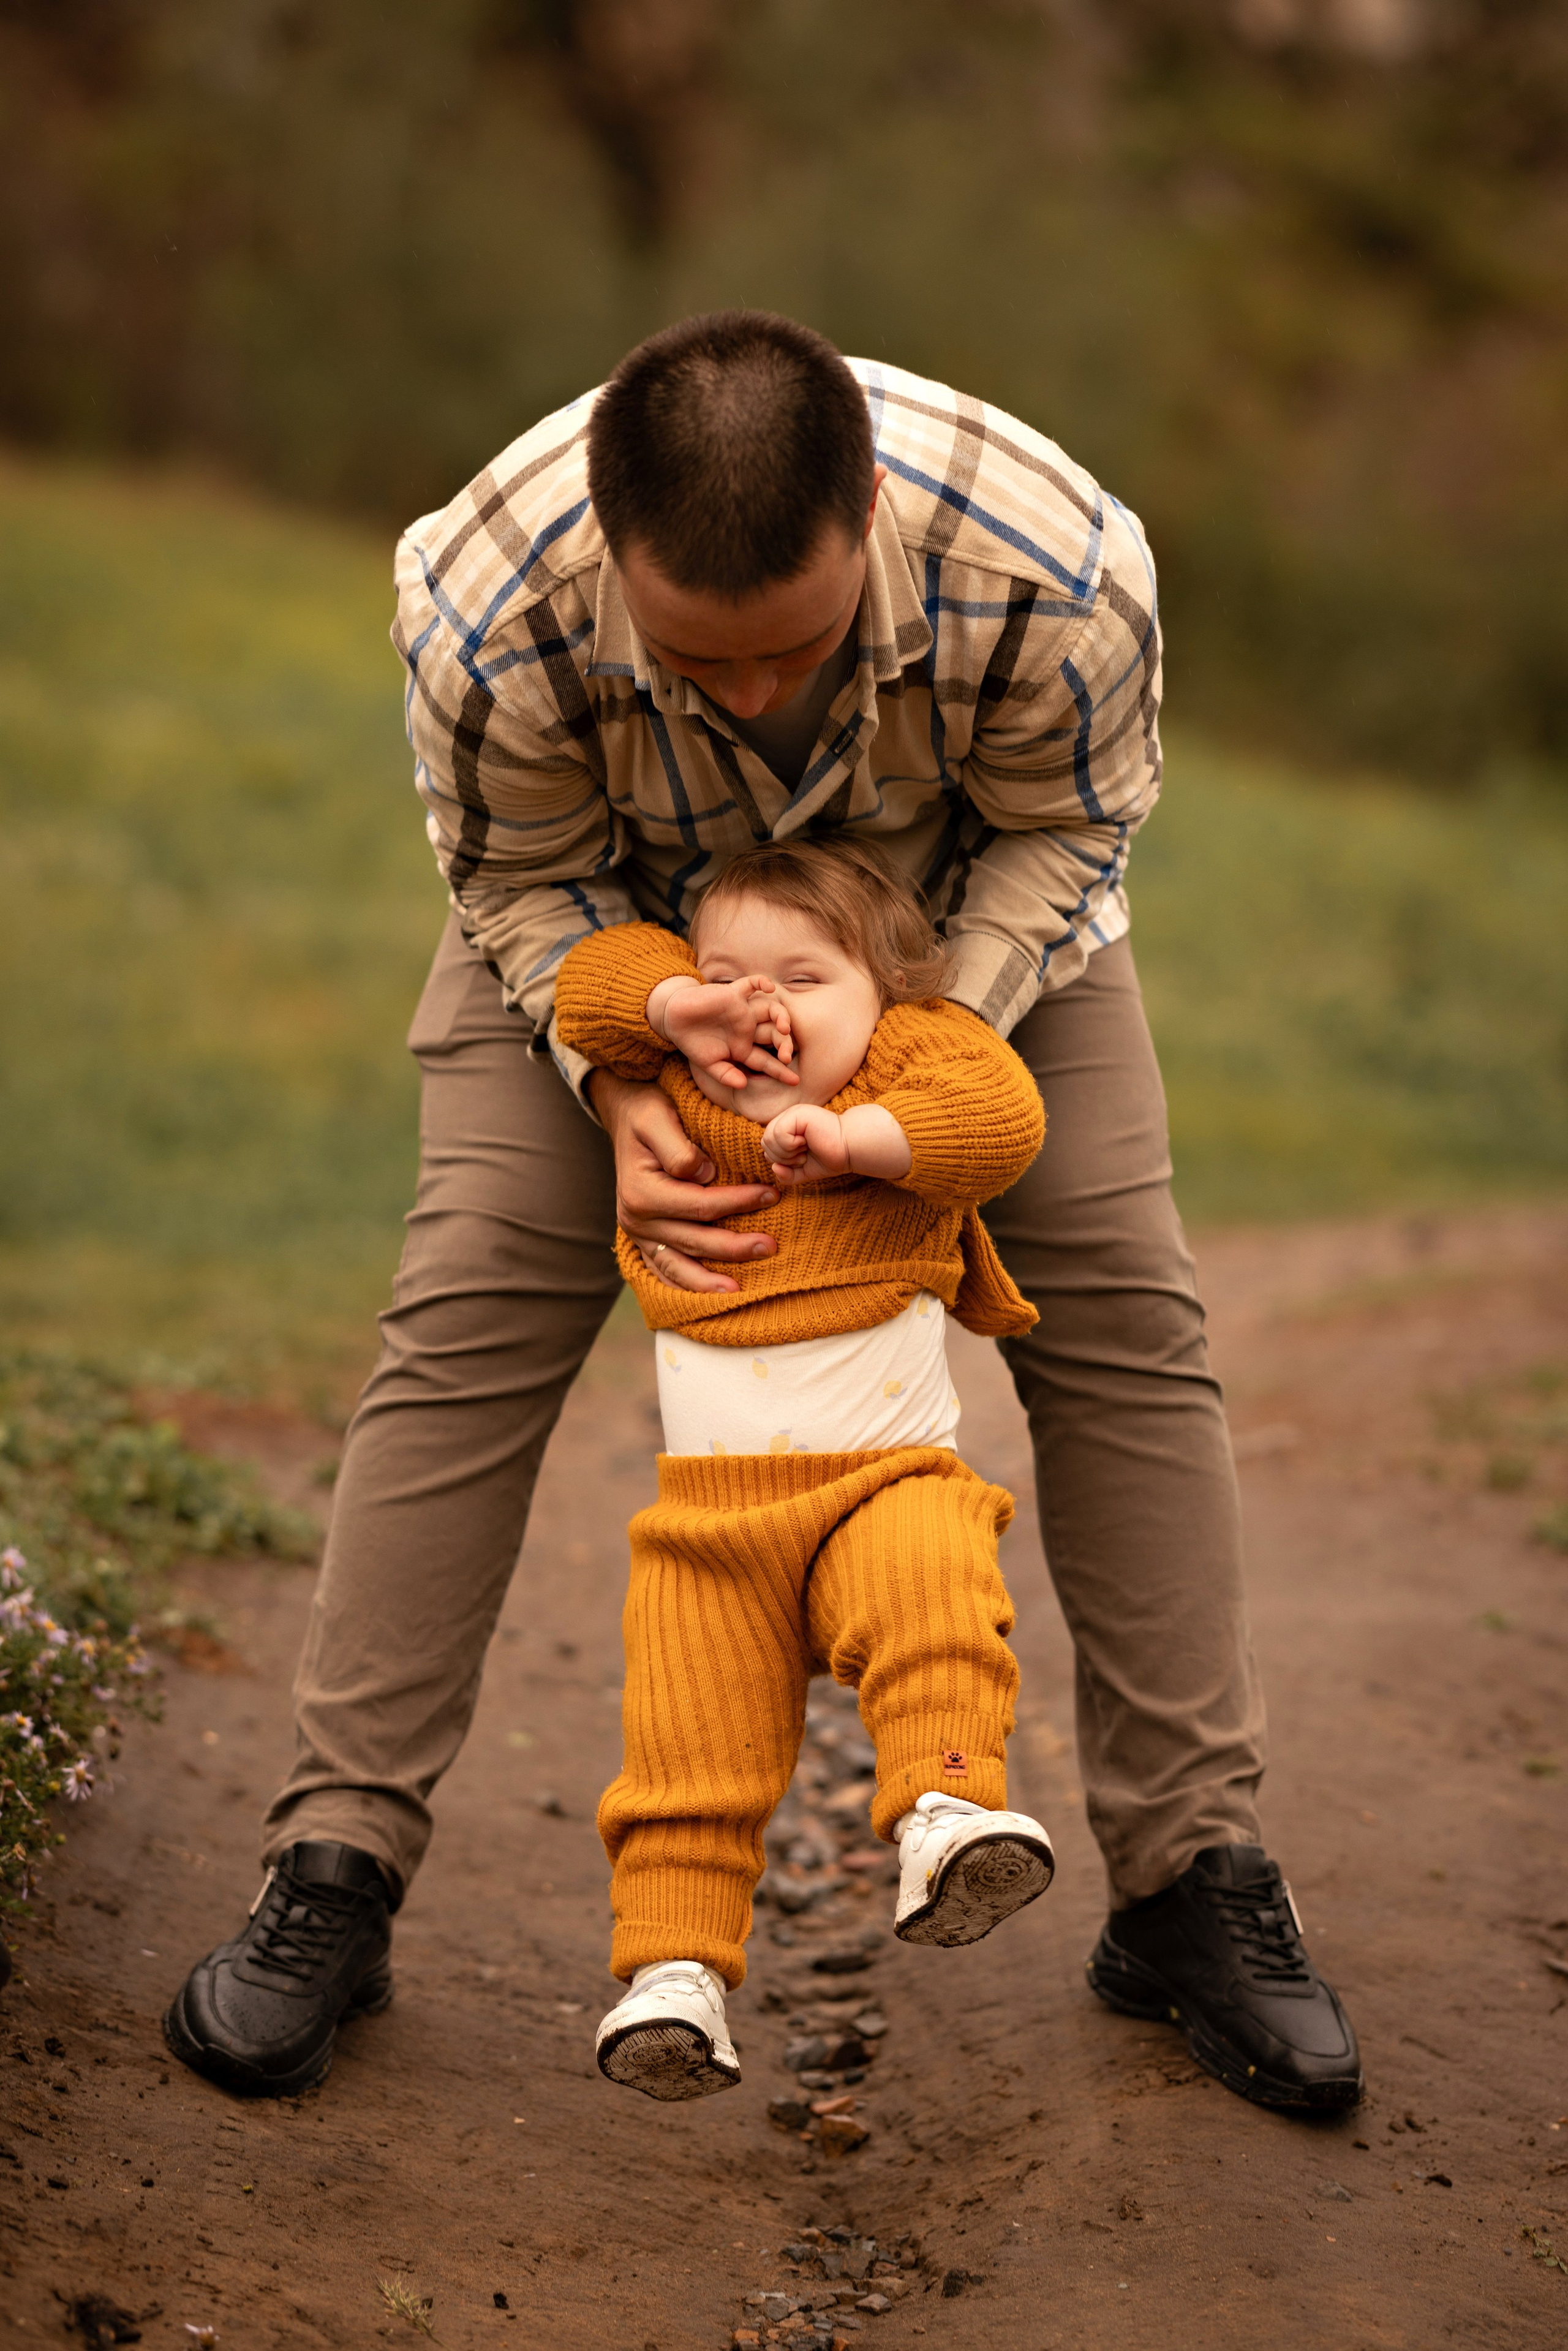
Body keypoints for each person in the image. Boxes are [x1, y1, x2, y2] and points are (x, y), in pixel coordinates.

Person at [164, 309, 1362, 2113]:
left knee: (1122, 1305)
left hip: (956, 941)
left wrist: (901, 1066)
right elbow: (517, 873)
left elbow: (1070, 831)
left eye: (786, 656)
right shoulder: (482, 604)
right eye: (688, 665)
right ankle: (334, 1862)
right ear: (606, 547)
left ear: (870, 519)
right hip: (617, 951)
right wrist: (634, 1077)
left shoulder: (1064, 566)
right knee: (474, 1301)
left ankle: (1194, 1875)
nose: (739, 702)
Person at [553, 836, 1054, 2100]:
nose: (757, 1006)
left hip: (882, 1477)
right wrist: (674, 1001)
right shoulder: (676, 1069)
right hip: (708, 1522)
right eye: (728, 974)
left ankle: (949, 1816)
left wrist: (861, 1140)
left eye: (802, 977)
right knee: (684, 1754)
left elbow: (1002, 1116)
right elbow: (591, 976)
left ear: (888, 999)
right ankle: (672, 1973)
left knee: (935, 1602)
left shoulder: (907, 1071)